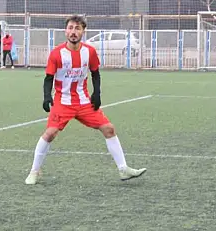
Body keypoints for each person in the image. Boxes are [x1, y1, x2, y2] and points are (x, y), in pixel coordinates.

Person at [25, 15, 147, 185]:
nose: (73, 32)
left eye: (77, 28)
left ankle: (123, 169)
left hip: (84, 102)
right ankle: (34, 171)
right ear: (65, 31)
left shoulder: (89, 52)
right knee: (50, 133)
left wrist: (97, 94)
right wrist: (47, 97)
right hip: (63, 101)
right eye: (70, 28)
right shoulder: (57, 54)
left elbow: (95, 73)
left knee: (109, 129)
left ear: (83, 31)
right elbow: (48, 78)